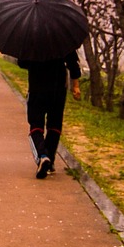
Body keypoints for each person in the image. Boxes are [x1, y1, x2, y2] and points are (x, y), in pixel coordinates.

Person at [17, 51, 82, 179]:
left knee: (36, 125)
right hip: (58, 89)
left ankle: (42, 156)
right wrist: (76, 86)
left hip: (37, 88)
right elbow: (73, 64)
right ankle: (50, 161)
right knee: (55, 125)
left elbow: (22, 63)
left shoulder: (30, 40)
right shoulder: (63, 39)